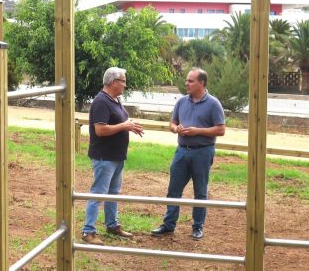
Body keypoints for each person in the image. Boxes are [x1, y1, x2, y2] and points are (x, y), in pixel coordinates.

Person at [151, 68, 226, 240]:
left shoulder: (213, 104)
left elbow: (221, 129)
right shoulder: (181, 102)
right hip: (182, 151)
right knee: (173, 189)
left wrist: (197, 131)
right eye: (187, 80)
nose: (187, 83)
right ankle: (168, 225)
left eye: (191, 81)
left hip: (203, 152)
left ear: (202, 83)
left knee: (200, 191)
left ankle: (197, 227)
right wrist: (175, 128)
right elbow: (172, 123)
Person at [81, 67, 144, 245]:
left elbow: (119, 122)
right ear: (113, 82)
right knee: (98, 193)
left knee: (113, 193)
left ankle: (112, 225)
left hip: (116, 157)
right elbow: (100, 130)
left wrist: (130, 125)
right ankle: (88, 231)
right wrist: (125, 126)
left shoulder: (115, 100)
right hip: (104, 157)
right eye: (123, 81)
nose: (125, 84)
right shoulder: (101, 102)